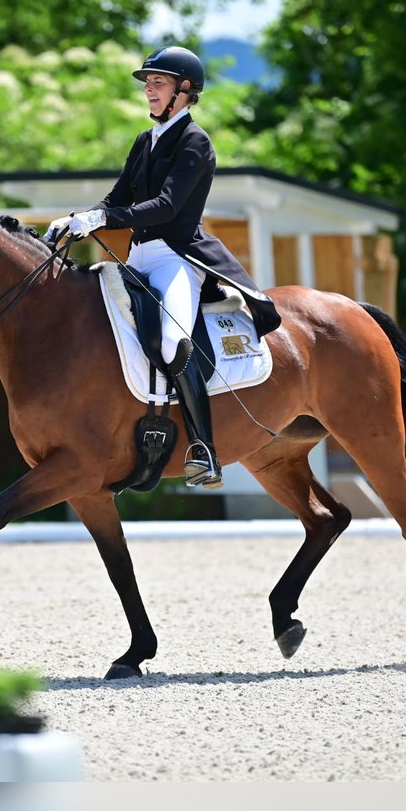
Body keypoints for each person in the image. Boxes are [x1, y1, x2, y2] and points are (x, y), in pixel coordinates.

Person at [46, 46, 281, 490]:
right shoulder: (144, 140)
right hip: (138, 258)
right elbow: (118, 198)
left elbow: (167, 206)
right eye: (147, 83)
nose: (149, 90)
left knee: (173, 342)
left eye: (158, 82)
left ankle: (203, 450)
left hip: (177, 258)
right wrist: (79, 219)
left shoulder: (195, 142)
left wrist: (103, 220)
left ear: (184, 90)